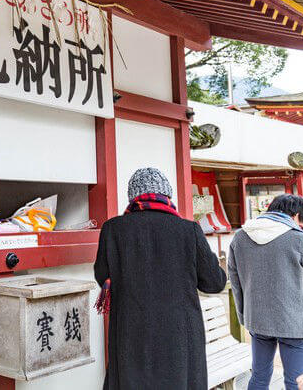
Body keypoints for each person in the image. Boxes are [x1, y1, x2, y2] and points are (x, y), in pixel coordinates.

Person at [94, 167, 227, 389]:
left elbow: (102, 275)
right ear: (167, 195)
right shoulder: (189, 231)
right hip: (178, 340)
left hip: (131, 335)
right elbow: (215, 283)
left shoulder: (113, 229)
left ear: (132, 197)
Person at [228, 194, 303, 390]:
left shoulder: (240, 237)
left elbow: (235, 282)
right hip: (293, 322)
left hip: (257, 319)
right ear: (295, 215)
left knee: (259, 378)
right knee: (296, 381)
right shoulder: (298, 239)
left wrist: (244, 316)